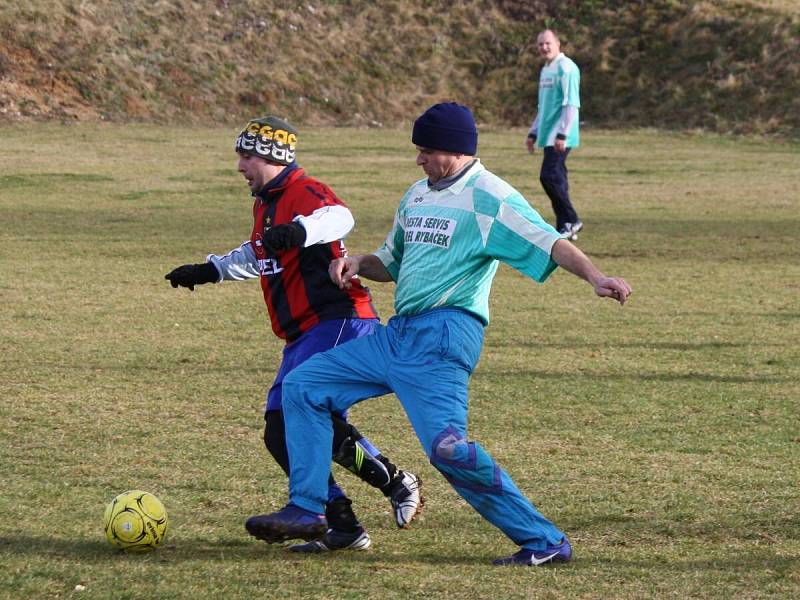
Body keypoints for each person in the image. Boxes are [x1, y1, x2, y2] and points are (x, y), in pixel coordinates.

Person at [248, 102, 632, 566]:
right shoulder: (416, 195)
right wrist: (358, 263)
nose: (418, 159)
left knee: (449, 450)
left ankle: (543, 541)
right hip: (396, 336)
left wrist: (595, 277)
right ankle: (310, 510)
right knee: (303, 385)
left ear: (454, 149)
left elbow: (549, 241)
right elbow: (391, 262)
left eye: (426, 150)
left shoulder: (488, 195)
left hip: (445, 335)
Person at [164, 115, 422, 553]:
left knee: (289, 419)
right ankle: (350, 519)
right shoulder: (266, 202)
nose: (240, 166)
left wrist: (300, 229)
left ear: (272, 156)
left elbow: (340, 217)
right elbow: (261, 252)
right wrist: (211, 270)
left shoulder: (304, 190)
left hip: (340, 321)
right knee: (284, 430)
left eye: (246, 156)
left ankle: (341, 510)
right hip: (305, 334)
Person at [526, 29, 583, 241]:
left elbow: (571, 103)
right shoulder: (546, 69)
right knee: (558, 177)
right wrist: (533, 132)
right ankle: (564, 227)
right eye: (540, 44)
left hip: (560, 134)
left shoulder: (566, 67)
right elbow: (544, 107)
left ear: (558, 43)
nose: (544, 47)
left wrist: (562, 134)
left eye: (548, 43)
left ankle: (571, 219)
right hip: (547, 133)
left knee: (548, 176)